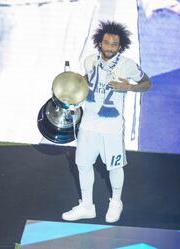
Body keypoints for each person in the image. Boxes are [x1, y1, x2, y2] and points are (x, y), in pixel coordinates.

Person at [62, 21, 151, 223]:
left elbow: (147, 83)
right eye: (106, 43)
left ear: (120, 46)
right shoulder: (90, 61)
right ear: (99, 43)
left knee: (114, 167)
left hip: (111, 127)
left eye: (114, 44)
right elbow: (87, 83)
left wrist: (128, 86)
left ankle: (116, 202)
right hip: (88, 124)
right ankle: (87, 206)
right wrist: (71, 94)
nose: (110, 47)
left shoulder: (127, 65)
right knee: (82, 164)